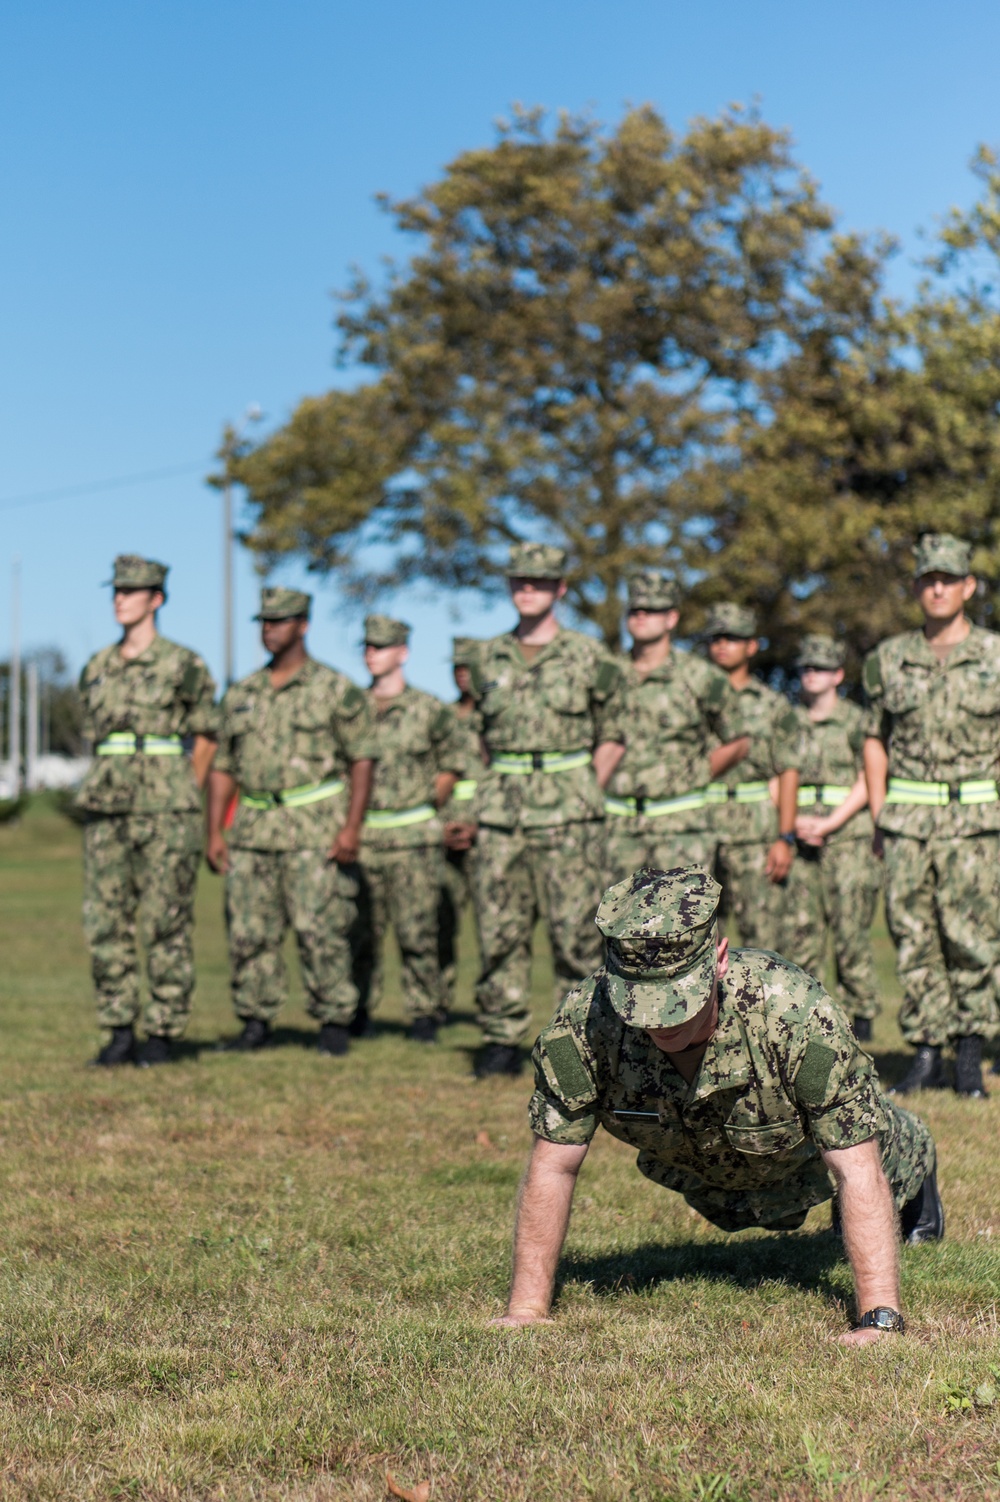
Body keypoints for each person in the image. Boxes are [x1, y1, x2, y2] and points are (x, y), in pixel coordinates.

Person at [494, 867, 942, 1342]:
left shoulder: (794, 1014)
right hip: (699, 1170)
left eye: (675, 997)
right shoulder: (583, 1026)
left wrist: (879, 1317)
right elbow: (554, 1165)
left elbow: (856, 1167)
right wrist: (526, 1308)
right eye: (639, 1002)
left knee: (872, 1137)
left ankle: (916, 1172)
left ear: (720, 960)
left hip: (800, 1155)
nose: (658, 1021)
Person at [450, 542, 627, 1078]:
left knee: (576, 935)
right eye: (520, 580)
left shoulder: (590, 656)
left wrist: (581, 788)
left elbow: (614, 733)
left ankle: (580, 1041)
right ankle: (501, 1037)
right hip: (502, 813)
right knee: (499, 929)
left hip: (569, 812)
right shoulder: (484, 658)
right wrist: (487, 790)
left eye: (540, 581)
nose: (528, 588)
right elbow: (476, 737)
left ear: (560, 589)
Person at [206, 587, 376, 1056]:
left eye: (280, 621)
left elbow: (362, 759)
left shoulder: (335, 688)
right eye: (263, 621)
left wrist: (352, 827)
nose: (269, 629)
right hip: (253, 828)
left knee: (320, 929)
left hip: (313, 826)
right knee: (249, 932)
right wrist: (214, 830)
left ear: (303, 625)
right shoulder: (242, 693)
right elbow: (224, 765)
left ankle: (332, 1022)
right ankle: (255, 1021)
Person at [863, 533, 1000, 1098]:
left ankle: (970, 1052)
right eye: (928, 578)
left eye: (948, 577)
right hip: (908, 823)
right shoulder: (887, 659)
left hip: (976, 822)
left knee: (974, 938)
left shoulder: (994, 654)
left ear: (968, 586)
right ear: (917, 586)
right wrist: (879, 815)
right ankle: (924, 1053)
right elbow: (874, 739)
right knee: (912, 936)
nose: (937, 586)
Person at [76, 554, 218, 1067]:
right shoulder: (96, 666)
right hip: (107, 806)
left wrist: (185, 789)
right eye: (116, 589)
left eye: (132, 590)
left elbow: (206, 733)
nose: (120, 598)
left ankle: (162, 1031)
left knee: (166, 919)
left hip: (167, 808)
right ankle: (118, 1029)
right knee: (105, 920)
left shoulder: (184, 664)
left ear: (156, 598)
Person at [352, 615, 468, 1044]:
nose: (371, 653)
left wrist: (427, 802)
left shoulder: (429, 709)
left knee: (418, 931)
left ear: (403, 652)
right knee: (360, 932)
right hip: (365, 838)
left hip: (414, 839)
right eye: (367, 646)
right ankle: (357, 1011)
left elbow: (455, 761)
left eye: (381, 647)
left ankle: (424, 1014)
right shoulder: (351, 706)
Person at [604, 570, 748, 883]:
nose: (641, 615)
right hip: (618, 830)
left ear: (671, 618)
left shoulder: (700, 676)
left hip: (682, 829)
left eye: (652, 609)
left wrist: (699, 773)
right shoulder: (608, 673)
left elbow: (739, 739)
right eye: (635, 610)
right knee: (619, 930)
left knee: (684, 930)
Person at [782, 634, 880, 1042]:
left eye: (820, 668)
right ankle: (809, 1018)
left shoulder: (857, 720)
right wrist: (793, 822)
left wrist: (829, 823)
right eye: (805, 667)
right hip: (800, 838)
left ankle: (862, 1017)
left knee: (850, 932)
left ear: (838, 674)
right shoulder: (786, 719)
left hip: (848, 838)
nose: (811, 674)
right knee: (801, 933)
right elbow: (776, 773)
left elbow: (869, 777)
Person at [705, 603, 800, 950]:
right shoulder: (692, 695)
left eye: (733, 637)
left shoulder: (773, 705)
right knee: (695, 943)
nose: (723, 644)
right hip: (700, 828)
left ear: (752, 645)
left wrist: (785, 837)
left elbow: (788, 771)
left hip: (755, 834)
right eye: (716, 637)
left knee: (762, 943)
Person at [438, 637, 484, 1018]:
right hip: (444, 835)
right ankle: (437, 1003)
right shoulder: (442, 716)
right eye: (457, 667)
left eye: (469, 667)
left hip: (488, 834)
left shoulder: (497, 717)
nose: (462, 675)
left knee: (494, 927)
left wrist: (477, 823)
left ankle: (491, 1003)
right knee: (439, 922)